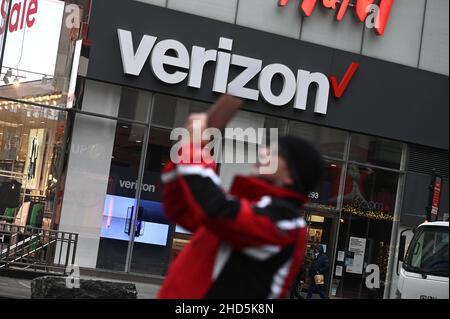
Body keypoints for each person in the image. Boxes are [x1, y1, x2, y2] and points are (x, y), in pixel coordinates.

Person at [158, 97, 324, 299]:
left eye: (275, 152)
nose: (263, 152)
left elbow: (218, 210)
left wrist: (194, 149)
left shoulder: (286, 223)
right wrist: (182, 157)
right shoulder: (253, 209)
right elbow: (181, 210)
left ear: (291, 177)